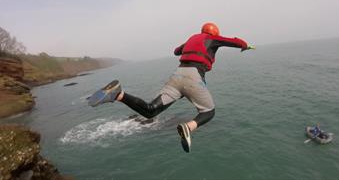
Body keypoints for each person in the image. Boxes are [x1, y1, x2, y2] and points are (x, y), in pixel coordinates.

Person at [88, 22, 255, 152]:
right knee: (208, 111)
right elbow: (235, 41)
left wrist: (187, 46)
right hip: (193, 77)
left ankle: (119, 94)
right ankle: (188, 127)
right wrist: (245, 45)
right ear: (213, 33)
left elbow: (176, 51)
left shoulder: (192, 38)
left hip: (177, 76)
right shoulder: (212, 38)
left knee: (150, 110)